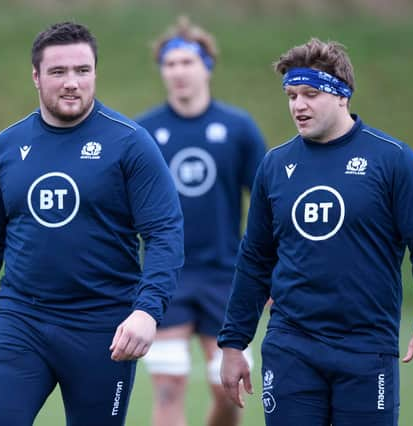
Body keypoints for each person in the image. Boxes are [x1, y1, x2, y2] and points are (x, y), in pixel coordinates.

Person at [0, 21, 184, 426]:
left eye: (82, 71)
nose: (72, 83)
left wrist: (146, 311)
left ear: (95, 74)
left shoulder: (130, 143)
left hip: (103, 329)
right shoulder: (5, 148)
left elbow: (164, 234)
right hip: (19, 321)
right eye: (58, 72)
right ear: (35, 77)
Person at [217, 38, 413, 426]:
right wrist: (233, 342)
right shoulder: (275, 166)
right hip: (291, 345)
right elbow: (255, 259)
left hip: (365, 348)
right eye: (291, 95)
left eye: (310, 94)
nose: (298, 105)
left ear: (343, 95)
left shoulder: (391, 159)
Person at [135, 17, 267, 426]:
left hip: (226, 276)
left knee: (229, 391)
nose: (177, 72)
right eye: (169, 64)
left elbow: (268, 205)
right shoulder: (144, 131)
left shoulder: (237, 128)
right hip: (166, 275)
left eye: (186, 62)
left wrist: (272, 272)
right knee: (168, 386)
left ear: (206, 65)